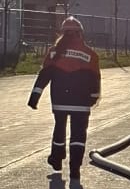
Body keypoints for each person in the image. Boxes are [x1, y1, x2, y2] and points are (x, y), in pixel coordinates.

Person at [27, 16, 101, 179]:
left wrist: (35, 96)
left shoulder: (54, 53)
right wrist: (93, 97)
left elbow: (44, 75)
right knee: (79, 134)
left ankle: (56, 160)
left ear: (62, 33)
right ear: (80, 33)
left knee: (59, 128)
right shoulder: (90, 54)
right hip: (81, 103)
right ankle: (75, 169)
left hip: (59, 101)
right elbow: (95, 78)